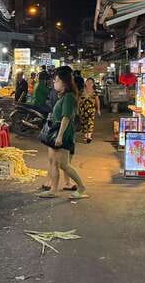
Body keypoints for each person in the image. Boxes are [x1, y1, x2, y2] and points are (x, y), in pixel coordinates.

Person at [37, 68, 88, 199]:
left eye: (57, 80)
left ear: (64, 83)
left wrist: (59, 136)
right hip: (57, 132)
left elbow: (66, 117)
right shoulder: (63, 96)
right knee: (54, 162)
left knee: (64, 165)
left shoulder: (69, 97)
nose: (54, 82)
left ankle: (82, 188)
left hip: (63, 133)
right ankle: (53, 190)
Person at [79, 78, 101, 143]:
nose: (89, 83)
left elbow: (97, 101)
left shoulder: (94, 92)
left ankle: (89, 137)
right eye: (88, 82)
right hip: (82, 110)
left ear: (93, 84)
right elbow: (78, 100)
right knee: (83, 123)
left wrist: (98, 109)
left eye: (91, 82)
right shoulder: (81, 91)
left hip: (91, 110)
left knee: (90, 123)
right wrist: (77, 109)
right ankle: (86, 136)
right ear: (85, 83)